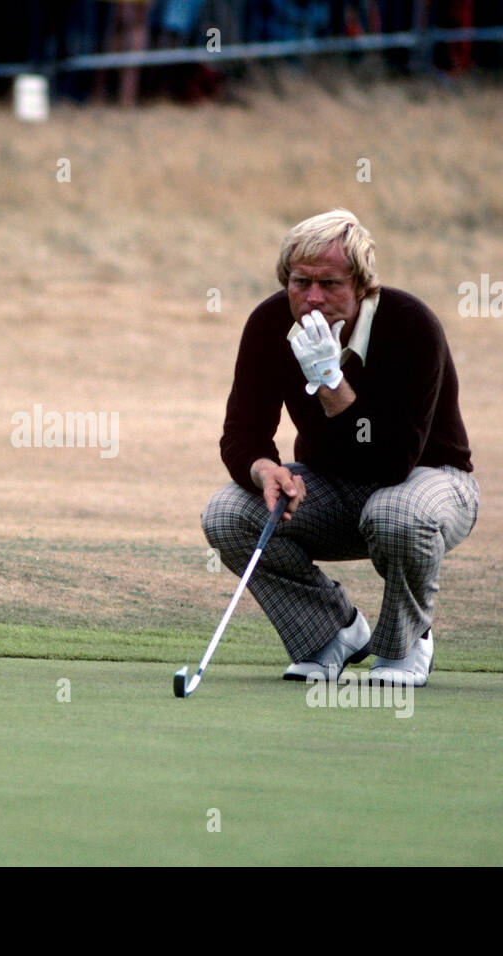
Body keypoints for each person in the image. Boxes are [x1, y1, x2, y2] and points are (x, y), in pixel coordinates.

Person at [201, 209, 478, 687]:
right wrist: (265, 470)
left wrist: (331, 381)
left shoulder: (411, 326)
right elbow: (242, 432)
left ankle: (405, 645)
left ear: (363, 285)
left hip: (431, 481)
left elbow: (392, 460)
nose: (312, 298)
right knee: (227, 513)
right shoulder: (270, 324)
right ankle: (331, 634)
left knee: (396, 513)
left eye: (330, 284)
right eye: (300, 281)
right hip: (329, 484)